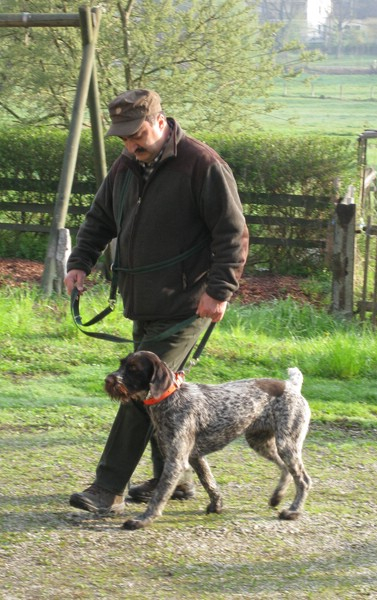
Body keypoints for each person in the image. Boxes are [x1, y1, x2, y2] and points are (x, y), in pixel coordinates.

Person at [65, 89, 249, 515]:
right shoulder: (126, 165)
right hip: (142, 301)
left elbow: (232, 233)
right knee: (163, 397)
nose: (131, 145)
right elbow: (100, 218)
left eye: (138, 134)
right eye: (124, 138)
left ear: (160, 122)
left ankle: (107, 488)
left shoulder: (202, 164)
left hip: (187, 304)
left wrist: (220, 289)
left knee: (139, 392)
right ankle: (175, 478)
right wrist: (80, 263)